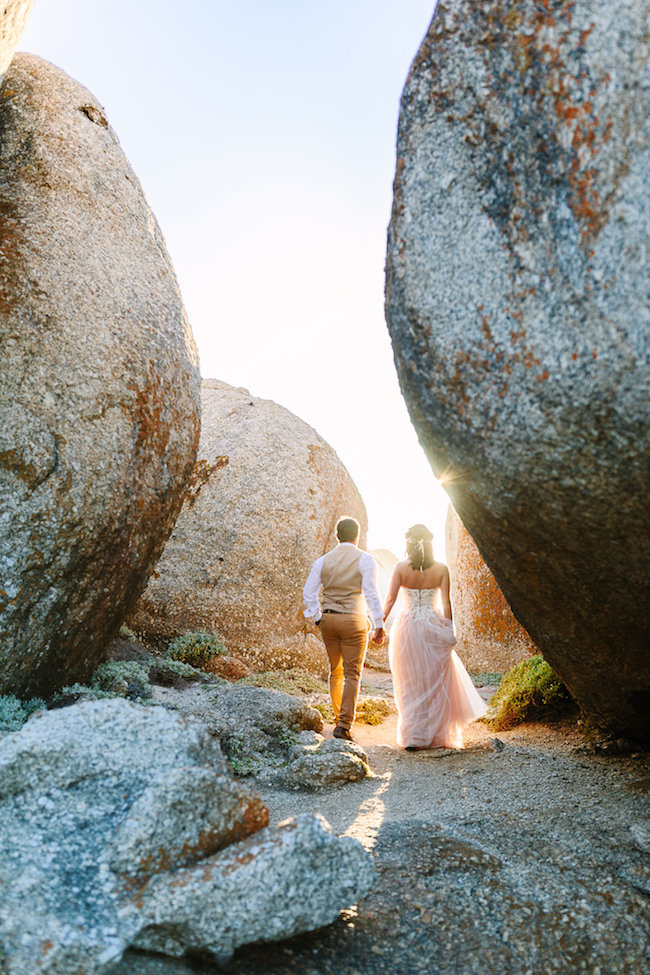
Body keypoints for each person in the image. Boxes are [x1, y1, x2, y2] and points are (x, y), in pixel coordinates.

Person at [382, 524, 486, 750]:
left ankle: (413, 737)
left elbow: (389, 600)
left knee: (410, 681)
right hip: (433, 625)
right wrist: (448, 630)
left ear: (408, 543)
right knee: (434, 680)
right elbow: (447, 602)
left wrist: (379, 625)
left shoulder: (400, 567)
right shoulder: (441, 568)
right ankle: (436, 736)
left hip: (407, 626)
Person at [303, 516, 385, 742]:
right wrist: (379, 623)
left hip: (329, 620)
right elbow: (370, 593)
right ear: (357, 536)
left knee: (335, 671)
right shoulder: (366, 560)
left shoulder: (322, 560)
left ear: (337, 536)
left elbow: (308, 593)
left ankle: (339, 716)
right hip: (354, 620)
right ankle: (344, 725)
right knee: (352, 674)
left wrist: (318, 618)